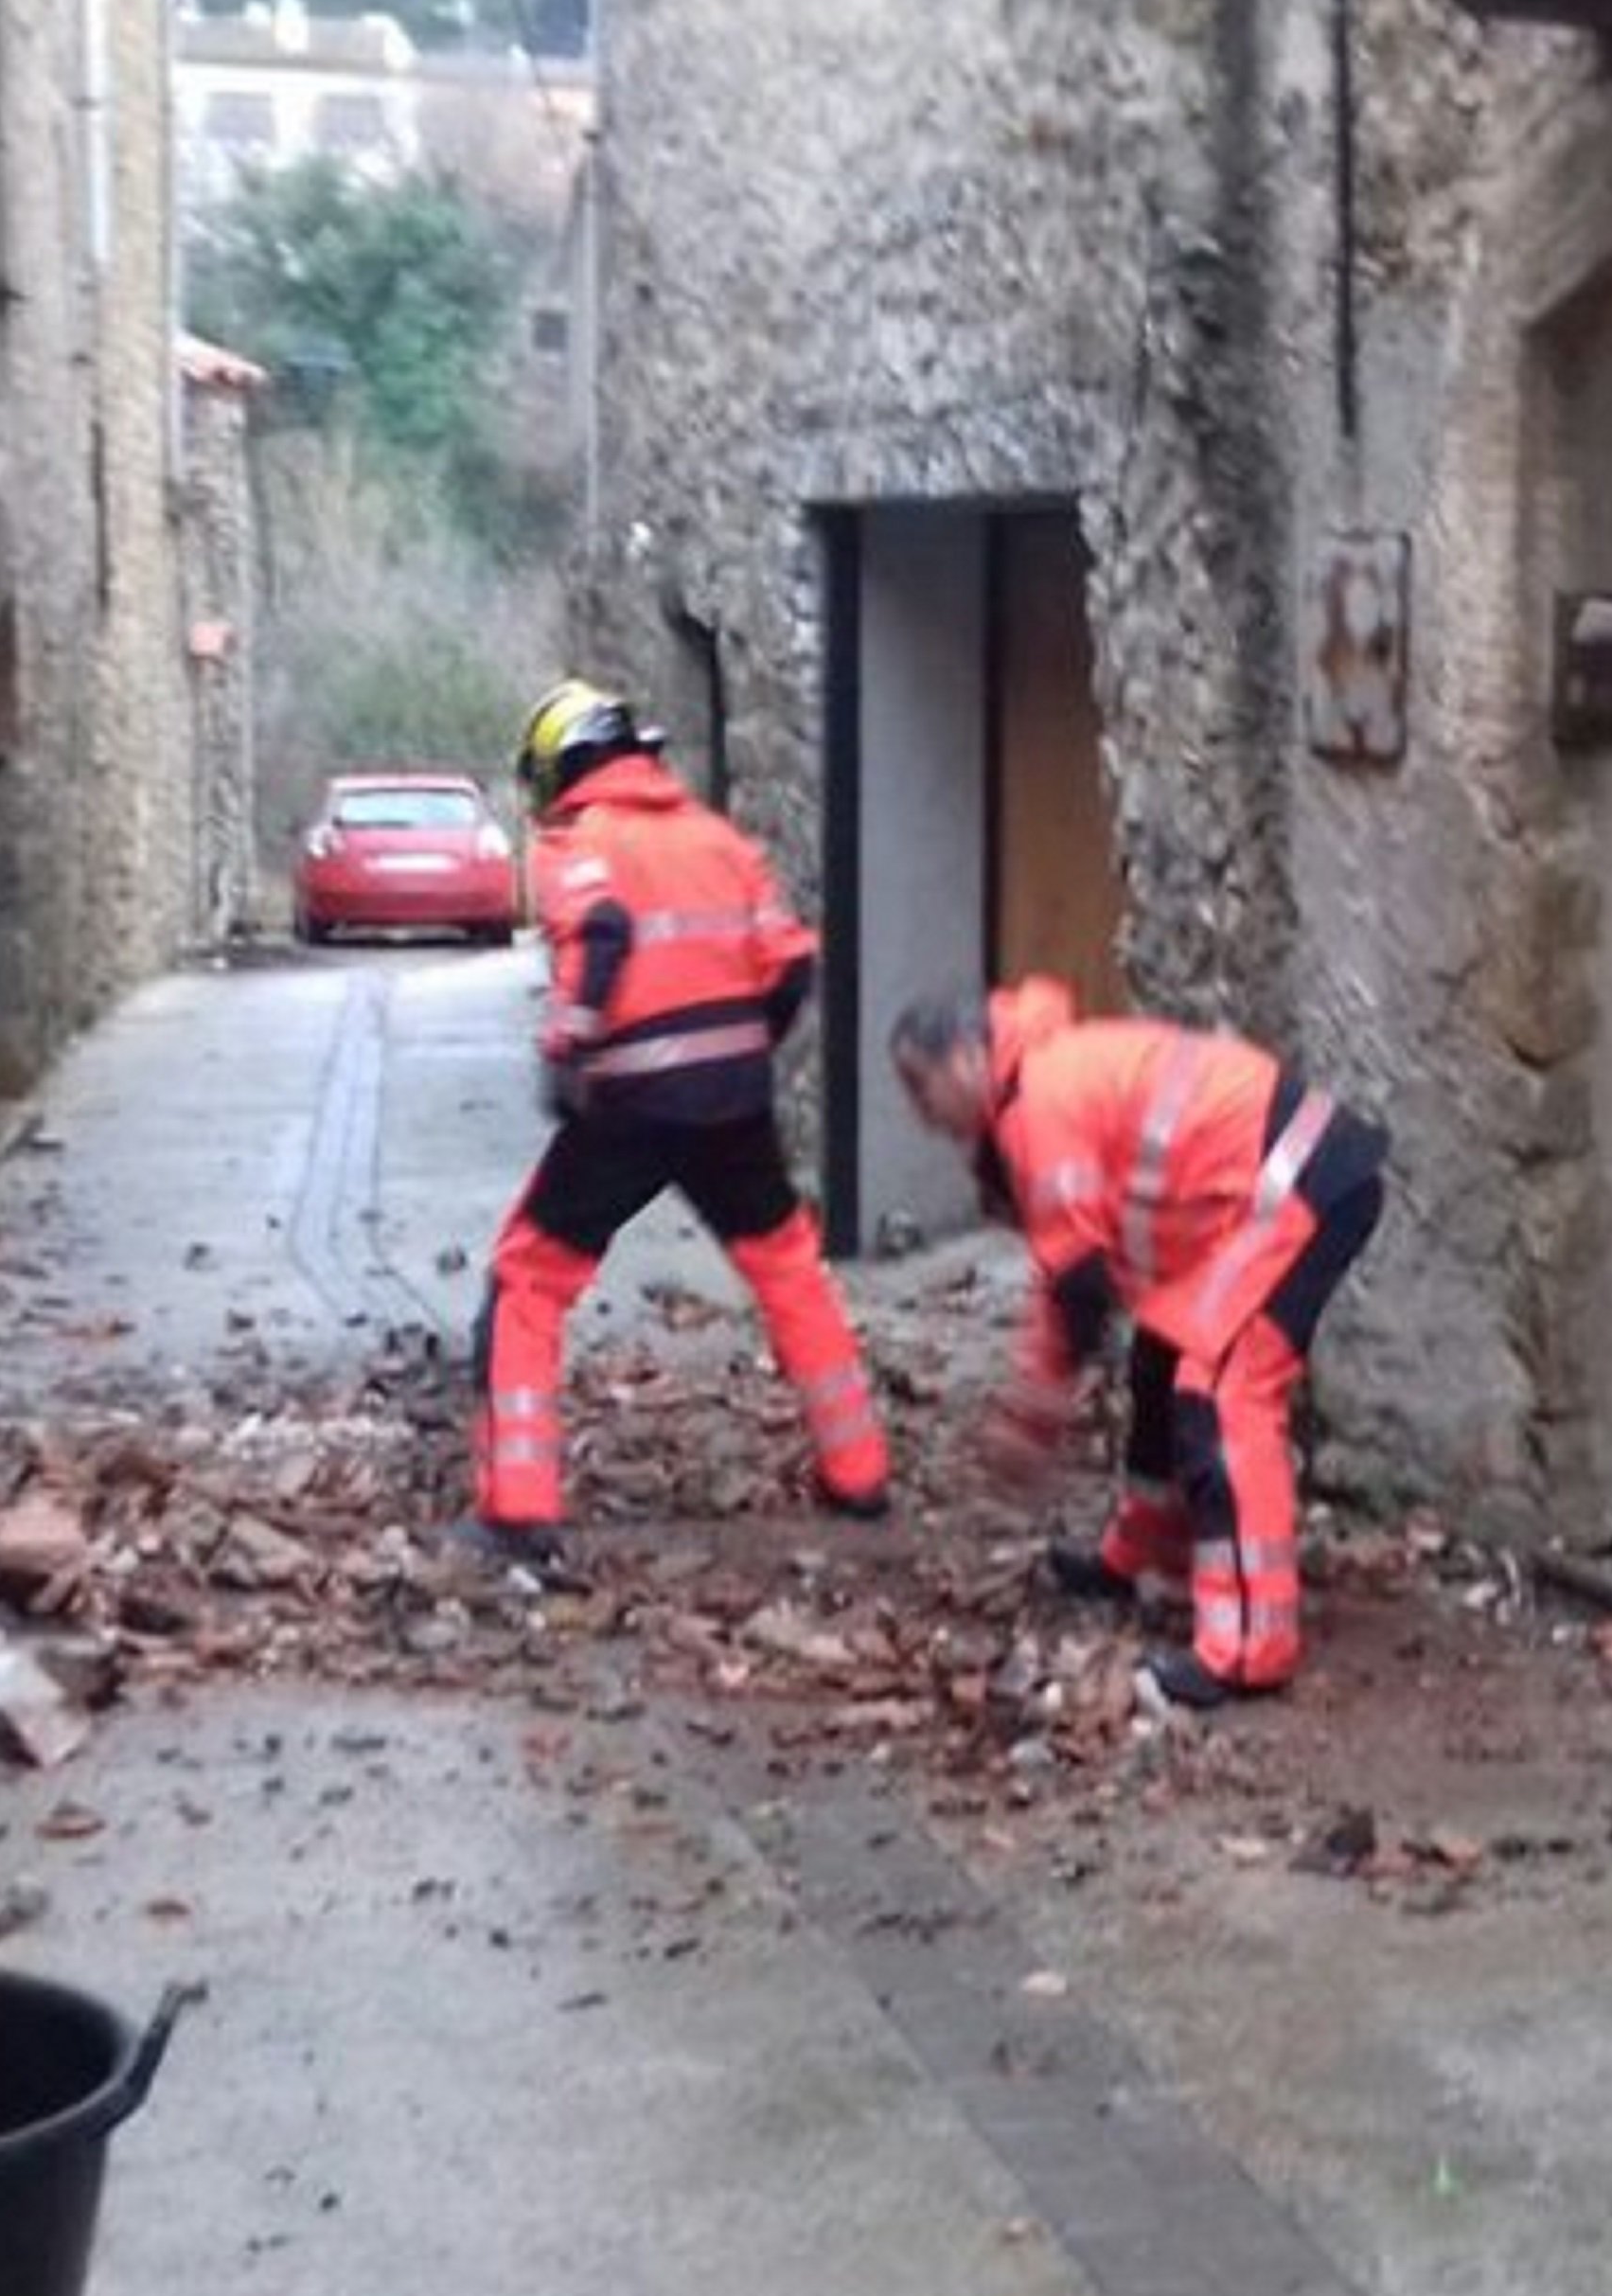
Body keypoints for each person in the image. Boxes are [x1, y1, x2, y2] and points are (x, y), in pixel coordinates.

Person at [465, 679, 886, 1567]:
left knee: (529, 1277)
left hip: (628, 1102)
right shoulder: (720, 839)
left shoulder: (577, 843)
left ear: (561, 768)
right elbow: (789, 966)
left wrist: (567, 1050)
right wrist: (738, 1052)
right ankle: (859, 1472)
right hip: (734, 1101)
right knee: (787, 1269)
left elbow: (603, 934)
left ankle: (518, 1504)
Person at [889, 978, 1389, 1709]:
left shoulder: (1040, 1108)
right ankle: (1145, 1549)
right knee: (1160, 1354)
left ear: (965, 1059)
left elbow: (1078, 1293)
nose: (922, 1115)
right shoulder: (1042, 1080)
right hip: (1275, 1187)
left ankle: (1248, 1648)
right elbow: (1065, 1273)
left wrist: (1032, 1419)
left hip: (1289, 1191)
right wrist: (1034, 1406)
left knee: (1217, 1391)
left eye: (919, 1086)